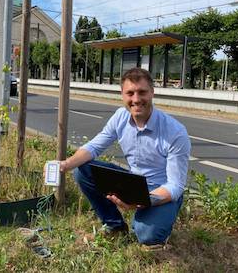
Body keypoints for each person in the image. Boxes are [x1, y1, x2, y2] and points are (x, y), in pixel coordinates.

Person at [60, 67, 191, 246]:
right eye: (130, 93)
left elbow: (175, 185)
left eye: (142, 92)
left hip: (163, 191)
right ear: (122, 94)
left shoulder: (175, 132)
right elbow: (93, 147)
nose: (136, 99)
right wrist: (65, 165)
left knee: (146, 236)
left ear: (152, 92)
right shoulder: (120, 116)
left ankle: (158, 223)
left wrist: (139, 201)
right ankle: (115, 227)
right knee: (82, 170)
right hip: (134, 182)